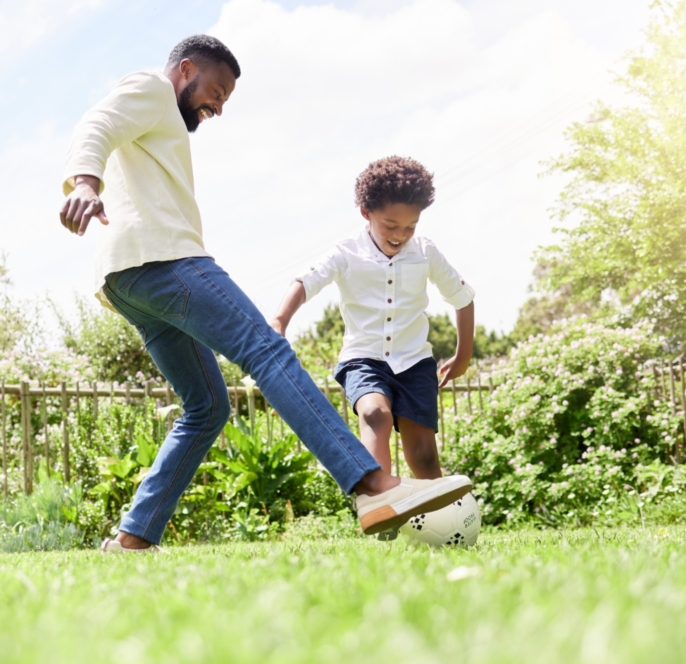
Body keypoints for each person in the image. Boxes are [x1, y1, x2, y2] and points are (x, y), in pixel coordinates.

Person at [59, 35, 471, 553]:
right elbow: (95, 124)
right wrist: (84, 183)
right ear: (185, 70)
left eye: (227, 97)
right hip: (165, 260)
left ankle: (134, 538)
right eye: (216, 90)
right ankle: (370, 485)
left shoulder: (162, 120)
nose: (220, 106)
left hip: (128, 280)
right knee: (267, 350)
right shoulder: (151, 88)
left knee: (207, 406)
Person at [271, 156, 475, 500]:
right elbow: (306, 281)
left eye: (410, 227)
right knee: (374, 413)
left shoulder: (424, 252)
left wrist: (463, 356)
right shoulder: (346, 252)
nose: (400, 235)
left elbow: (462, 298)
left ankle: (441, 516)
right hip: (363, 359)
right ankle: (380, 504)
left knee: (423, 451)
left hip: (414, 362)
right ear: (366, 212)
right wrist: (280, 320)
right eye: (390, 225)